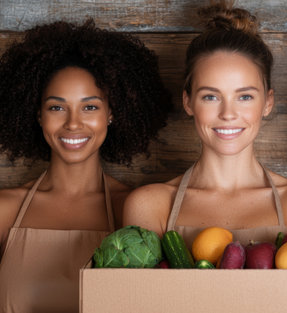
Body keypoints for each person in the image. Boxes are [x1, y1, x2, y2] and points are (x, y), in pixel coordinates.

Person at [123, 2, 287, 249]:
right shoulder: (149, 206)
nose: (228, 114)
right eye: (211, 96)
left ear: (267, 103)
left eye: (244, 96)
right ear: (188, 102)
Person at [0, 20, 172, 312]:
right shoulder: (4, 210)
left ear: (111, 114)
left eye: (90, 107)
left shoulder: (135, 212)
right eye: (56, 107)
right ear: (38, 115)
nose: (73, 123)